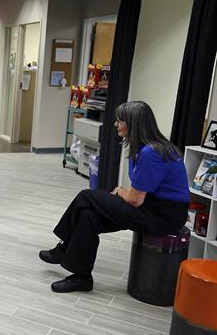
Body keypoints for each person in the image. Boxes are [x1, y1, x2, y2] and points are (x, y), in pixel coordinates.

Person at [39, 101, 189, 293]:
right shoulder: (146, 149)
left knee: (86, 196)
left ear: (133, 124)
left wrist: (119, 191)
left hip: (163, 215)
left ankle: (63, 247)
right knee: (88, 217)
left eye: (120, 121)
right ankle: (81, 277)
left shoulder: (151, 153)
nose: (116, 124)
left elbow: (135, 199)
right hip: (152, 207)